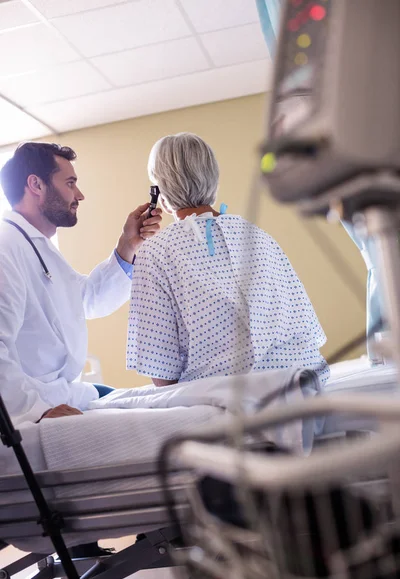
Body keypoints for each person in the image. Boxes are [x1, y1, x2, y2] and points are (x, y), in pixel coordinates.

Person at [127, 132, 329, 386]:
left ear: (160, 191)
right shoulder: (260, 236)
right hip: (306, 381)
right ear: (213, 179)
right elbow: (308, 330)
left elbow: (162, 372)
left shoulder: (154, 253)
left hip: (227, 398)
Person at [0, 142, 162, 426]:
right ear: (36, 184)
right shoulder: (6, 247)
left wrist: (128, 246)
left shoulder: (38, 248)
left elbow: (87, 299)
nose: (79, 195)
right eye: (70, 183)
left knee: (157, 404)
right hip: (32, 405)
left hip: (63, 393)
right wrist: (37, 411)